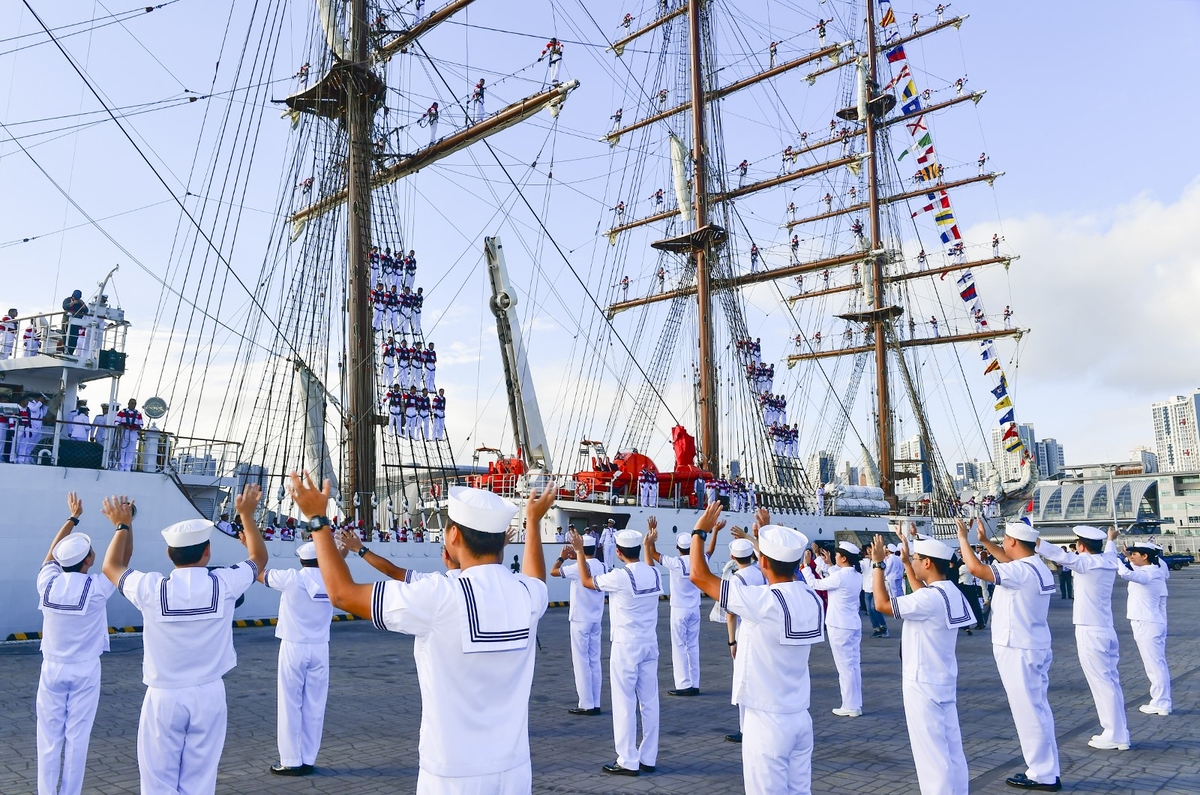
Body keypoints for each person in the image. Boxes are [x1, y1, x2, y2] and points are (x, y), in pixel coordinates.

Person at [295, 472, 556, 793]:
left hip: (452, 774)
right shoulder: (528, 595)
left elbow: (342, 595)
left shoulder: (439, 595)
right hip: (514, 770)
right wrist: (533, 520)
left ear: (454, 536)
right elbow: (536, 577)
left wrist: (318, 521)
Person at [101, 484, 267, 795]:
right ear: (208, 552)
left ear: (168, 553)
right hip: (209, 693)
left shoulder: (152, 588)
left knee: (157, 782)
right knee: (201, 779)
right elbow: (258, 558)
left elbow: (112, 567)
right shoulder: (225, 583)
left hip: (164, 696)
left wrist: (123, 525)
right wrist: (246, 516)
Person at [689, 505, 824, 795]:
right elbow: (782, 569)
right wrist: (764, 534)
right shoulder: (811, 598)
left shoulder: (763, 602)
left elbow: (699, 576)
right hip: (800, 715)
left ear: (762, 561)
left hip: (767, 720)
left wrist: (699, 531)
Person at [956, 519, 1061, 792]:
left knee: (1028, 712)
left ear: (1013, 542)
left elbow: (976, 568)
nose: (1002, 543)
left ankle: (1042, 774)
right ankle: (1047, 769)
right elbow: (1006, 561)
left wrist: (963, 539)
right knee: (1037, 709)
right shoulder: (1035, 566)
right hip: (1032, 646)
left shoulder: (1021, 571)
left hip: (1017, 648)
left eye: (1004, 540)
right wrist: (985, 541)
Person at [868, 533, 973, 795]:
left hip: (922, 682)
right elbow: (922, 594)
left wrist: (878, 565)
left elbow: (881, 604)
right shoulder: (949, 591)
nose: (912, 562)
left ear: (927, 563)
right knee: (951, 748)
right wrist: (904, 563)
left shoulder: (928, 599)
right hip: (943, 679)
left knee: (931, 755)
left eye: (915, 559)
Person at [36, 493, 116, 795]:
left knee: (48, 739)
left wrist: (72, 519)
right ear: (88, 560)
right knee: (77, 739)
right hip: (84, 670)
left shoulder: (47, 582)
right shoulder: (96, 588)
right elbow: (118, 561)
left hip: (52, 668)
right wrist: (123, 525)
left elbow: (49, 556)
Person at [567, 525, 661, 776]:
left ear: (618, 552)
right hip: (650, 644)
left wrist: (578, 552)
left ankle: (628, 759)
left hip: (626, 646)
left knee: (624, 702)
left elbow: (586, 582)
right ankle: (648, 757)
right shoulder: (654, 573)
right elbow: (648, 565)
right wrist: (648, 546)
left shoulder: (620, 576)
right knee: (650, 703)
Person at [260, 541, 347, 776]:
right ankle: (308, 758)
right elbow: (339, 562)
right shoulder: (332, 579)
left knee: (290, 704)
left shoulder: (290, 578)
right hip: (320, 648)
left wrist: (249, 544)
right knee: (315, 705)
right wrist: (340, 552)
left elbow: (259, 574)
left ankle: (290, 760)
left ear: (301, 560)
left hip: (294, 646)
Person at [1038, 526, 1129, 751]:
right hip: (1106, 628)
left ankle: (1115, 734)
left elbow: (1058, 555)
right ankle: (1119, 731)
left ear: (1080, 546)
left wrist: (1035, 541)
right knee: (1111, 683)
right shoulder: (1108, 561)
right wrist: (1110, 539)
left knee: (1101, 683)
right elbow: (1109, 551)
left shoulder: (1086, 564)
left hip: (1090, 630)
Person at [645, 519, 720, 697]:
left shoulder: (675, 563)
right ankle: (695, 683)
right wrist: (715, 531)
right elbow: (710, 551)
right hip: (695, 608)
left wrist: (652, 531)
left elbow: (653, 553)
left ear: (678, 547)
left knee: (678, 645)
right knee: (693, 646)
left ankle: (683, 684)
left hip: (679, 608)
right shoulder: (698, 561)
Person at [1109, 534, 1171, 715]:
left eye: (1135, 554)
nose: (1131, 556)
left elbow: (1126, 573)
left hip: (1147, 623)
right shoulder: (1154, 570)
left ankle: (1161, 702)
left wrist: (1113, 557)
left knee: (1154, 664)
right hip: (1149, 622)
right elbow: (1133, 569)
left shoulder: (1150, 572)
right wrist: (1128, 558)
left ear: (1145, 556)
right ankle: (1161, 700)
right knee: (1155, 663)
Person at [803, 541, 863, 717]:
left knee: (844, 666)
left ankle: (850, 705)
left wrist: (806, 567)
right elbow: (835, 574)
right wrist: (828, 564)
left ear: (843, 558)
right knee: (853, 665)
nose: (834, 557)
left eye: (837, 555)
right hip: (853, 623)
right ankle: (855, 703)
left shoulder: (840, 577)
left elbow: (815, 584)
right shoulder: (856, 575)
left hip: (839, 625)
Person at [551, 535, 607, 716]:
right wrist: (578, 553)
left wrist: (562, 557)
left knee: (581, 662)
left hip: (580, 619)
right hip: (596, 619)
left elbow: (553, 571)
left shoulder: (578, 567)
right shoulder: (603, 565)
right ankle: (596, 702)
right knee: (594, 661)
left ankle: (586, 703)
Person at [724, 534, 768, 742]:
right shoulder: (761, 570)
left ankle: (745, 728)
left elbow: (731, 613)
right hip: (764, 628)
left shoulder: (736, 579)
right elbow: (764, 554)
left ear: (733, 556)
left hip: (745, 630)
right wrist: (749, 537)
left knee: (743, 680)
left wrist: (732, 641)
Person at [115, 399, 143, 472]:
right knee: (122, 450)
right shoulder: (122, 412)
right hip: (124, 432)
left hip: (133, 433)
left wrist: (136, 428)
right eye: (131, 403)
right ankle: (121, 467)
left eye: (134, 403)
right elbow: (116, 422)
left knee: (130, 451)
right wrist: (123, 426)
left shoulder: (138, 414)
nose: (133, 405)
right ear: (128, 403)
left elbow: (141, 424)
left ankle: (128, 467)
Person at [61, 290, 89, 356]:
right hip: (67, 322)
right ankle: (65, 351)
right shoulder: (67, 300)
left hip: (75, 323)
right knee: (65, 337)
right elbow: (65, 307)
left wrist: (82, 304)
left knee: (74, 338)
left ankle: (71, 352)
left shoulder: (80, 303)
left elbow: (86, 311)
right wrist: (73, 303)